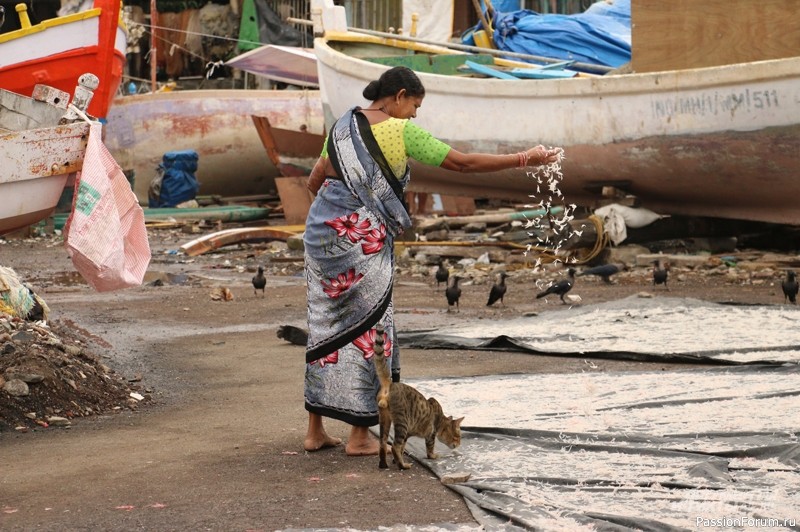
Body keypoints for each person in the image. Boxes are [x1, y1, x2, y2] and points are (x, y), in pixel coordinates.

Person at [302, 66, 561, 456]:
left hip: (321, 234)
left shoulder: (342, 126)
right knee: (369, 327)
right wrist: (526, 158)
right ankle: (358, 437)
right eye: (415, 105)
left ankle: (314, 431)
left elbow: (316, 178)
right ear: (400, 95)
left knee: (325, 326)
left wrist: (334, 224)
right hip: (363, 239)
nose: (415, 115)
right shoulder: (399, 130)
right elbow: (462, 164)